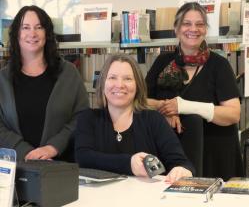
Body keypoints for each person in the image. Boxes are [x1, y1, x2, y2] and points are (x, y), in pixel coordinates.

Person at [145, 2, 244, 180]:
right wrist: (164, 108)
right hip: (172, 153)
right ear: (176, 29)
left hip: (214, 155)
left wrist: (183, 106)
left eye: (200, 24)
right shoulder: (162, 62)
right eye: (186, 23)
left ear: (206, 30)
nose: (193, 29)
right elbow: (140, 101)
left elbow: (233, 113)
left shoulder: (219, 65)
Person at [75, 53, 194, 183]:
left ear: (137, 85)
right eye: (112, 77)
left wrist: (181, 170)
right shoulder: (87, 118)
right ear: (102, 84)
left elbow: (182, 163)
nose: (119, 85)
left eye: (127, 79)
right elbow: (83, 158)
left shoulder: (154, 120)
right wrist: (129, 163)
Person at [0, 5, 89, 161]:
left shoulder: (68, 73)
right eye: (25, 27)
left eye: (39, 27)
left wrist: (54, 146)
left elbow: (82, 117)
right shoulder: (3, 79)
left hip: (60, 166)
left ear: (47, 33)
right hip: (16, 168)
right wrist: (25, 152)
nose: (32, 33)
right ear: (16, 34)